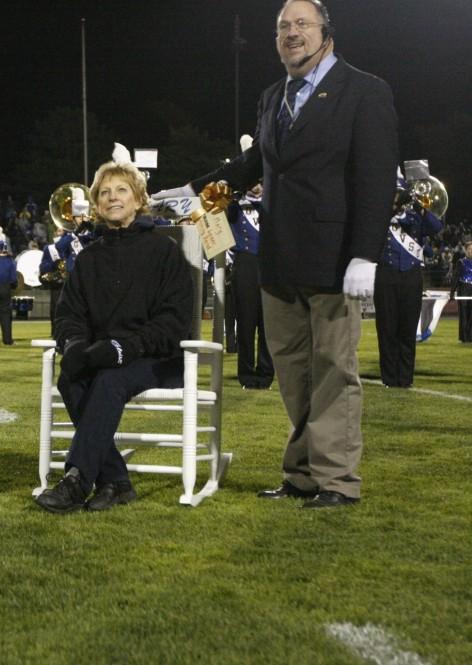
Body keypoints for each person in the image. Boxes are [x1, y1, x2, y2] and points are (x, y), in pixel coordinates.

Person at [153, 0, 398, 508]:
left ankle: (337, 483)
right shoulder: (272, 96)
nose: (292, 33)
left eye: (302, 24)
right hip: (279, 258)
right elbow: (251, 164)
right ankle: (303, 475)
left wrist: (365, 255)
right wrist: (190, 192)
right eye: (284, 26)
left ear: (326, 32)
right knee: (293, 374)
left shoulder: (366, 90)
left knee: (334, 370)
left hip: (335, 259)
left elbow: (376, 179)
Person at [35, 156, 193, 514]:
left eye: (122, 190)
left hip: (159, 359)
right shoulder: (89, 258)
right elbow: (70, 314)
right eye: (104, 192)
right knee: (71, 379)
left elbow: (174, 321)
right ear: (96, 204)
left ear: (139, 200)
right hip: (106, 357)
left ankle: (76, 479)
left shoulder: (164, 252)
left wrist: (126, 347)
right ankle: (115, 481)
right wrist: (74, 343)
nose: (112, 197)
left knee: (107, 379)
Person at [374, 178, 443, 387]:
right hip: (386, 274)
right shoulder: (380, 215)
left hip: (411, 275)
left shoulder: (416, 216)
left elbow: (436, 226)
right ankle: (389, 378)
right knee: (387, 328)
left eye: (399, 193)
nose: (396, 196)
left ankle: (405, 378)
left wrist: (420, 207)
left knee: (407, 328)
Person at [227, 181, 274, 389]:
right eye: (251, 181)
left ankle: (265, 374)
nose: (255, 186)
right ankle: (245, 374)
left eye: (259, 181)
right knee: (245, 323)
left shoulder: (274, 203)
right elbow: (212, 217)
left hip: (270, 264)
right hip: (244, 263)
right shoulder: (234, 205)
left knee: (268, 324)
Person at [454, 240, 472, 343]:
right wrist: (452, 292)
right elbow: (455, 277)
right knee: (464, 314)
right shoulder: (461, 262)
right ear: (466, 250)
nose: (471, 251)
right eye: (469, 249)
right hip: (464, 288)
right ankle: (464, 337)